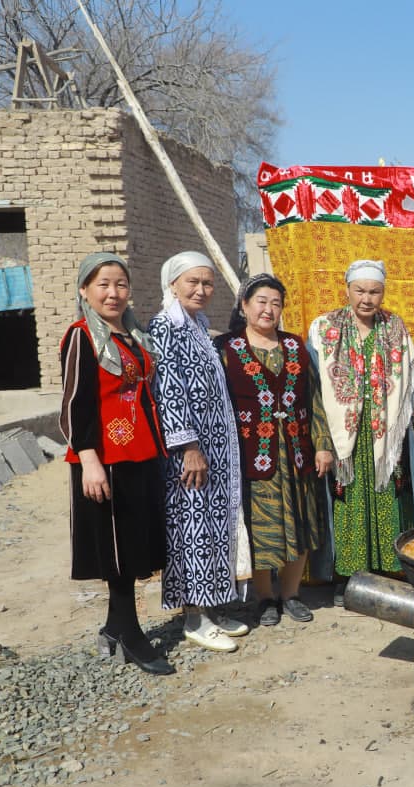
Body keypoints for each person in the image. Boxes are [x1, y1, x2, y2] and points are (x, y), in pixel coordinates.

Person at [60, 252, 173, 675]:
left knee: (135, 544)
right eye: (103, 284)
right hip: (104, 459)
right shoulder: (81, 337)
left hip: (141, 453)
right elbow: (73, 407)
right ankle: (130, 634)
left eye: (120, 284)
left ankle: (113, 626)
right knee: (118, 550)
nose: (113, 292)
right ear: (85, 289)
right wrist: (89, 460)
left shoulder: (132, 336)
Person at [216, 274, 334, 627]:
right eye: (261, 302)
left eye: (276, 303)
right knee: (261, 528)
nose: (268, 309)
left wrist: (323, 446)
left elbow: (313, 399)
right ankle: (265, 597)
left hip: (297, 451)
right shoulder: (226, 349)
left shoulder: (295, 347)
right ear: (244, 306)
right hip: (253, 453)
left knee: (299, 524)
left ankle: (292, 594)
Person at [149, 251, 249, 653]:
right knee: (191, 530)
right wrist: (189, 446)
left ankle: (213, 605)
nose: (202, 290)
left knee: (213, 527)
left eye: (208, 283)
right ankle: (194, 617)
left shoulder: (198, 325)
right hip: (190, 452)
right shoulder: (165, 328)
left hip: (215, 448)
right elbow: (169, 391)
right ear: (172, 284)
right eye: (193, 282)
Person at [310, 260, 414, 594]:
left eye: (374, 291)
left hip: (385, 433)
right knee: (349, 498)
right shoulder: (325, 327)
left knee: (387, 494)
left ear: (383, 293)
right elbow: (314, 384)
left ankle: (387, 571)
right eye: (360, 290)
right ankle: (350, 575)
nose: (367, 299)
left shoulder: (395, 327)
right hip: (343, 433)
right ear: (347, 289)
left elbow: (410, 377)